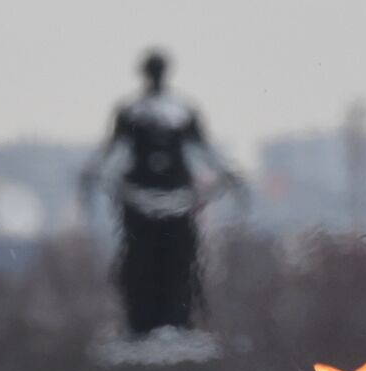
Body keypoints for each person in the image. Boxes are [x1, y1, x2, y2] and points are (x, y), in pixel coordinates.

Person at [81, 50, 244, 335]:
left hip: (172, 203)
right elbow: (110, 151)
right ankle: (145, 323)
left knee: (177, 266)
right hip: (142, 203)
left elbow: (205, 150)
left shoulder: (178, 111)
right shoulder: (135, 112)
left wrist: (228, 175)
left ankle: (175, 322)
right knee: (143, 266)